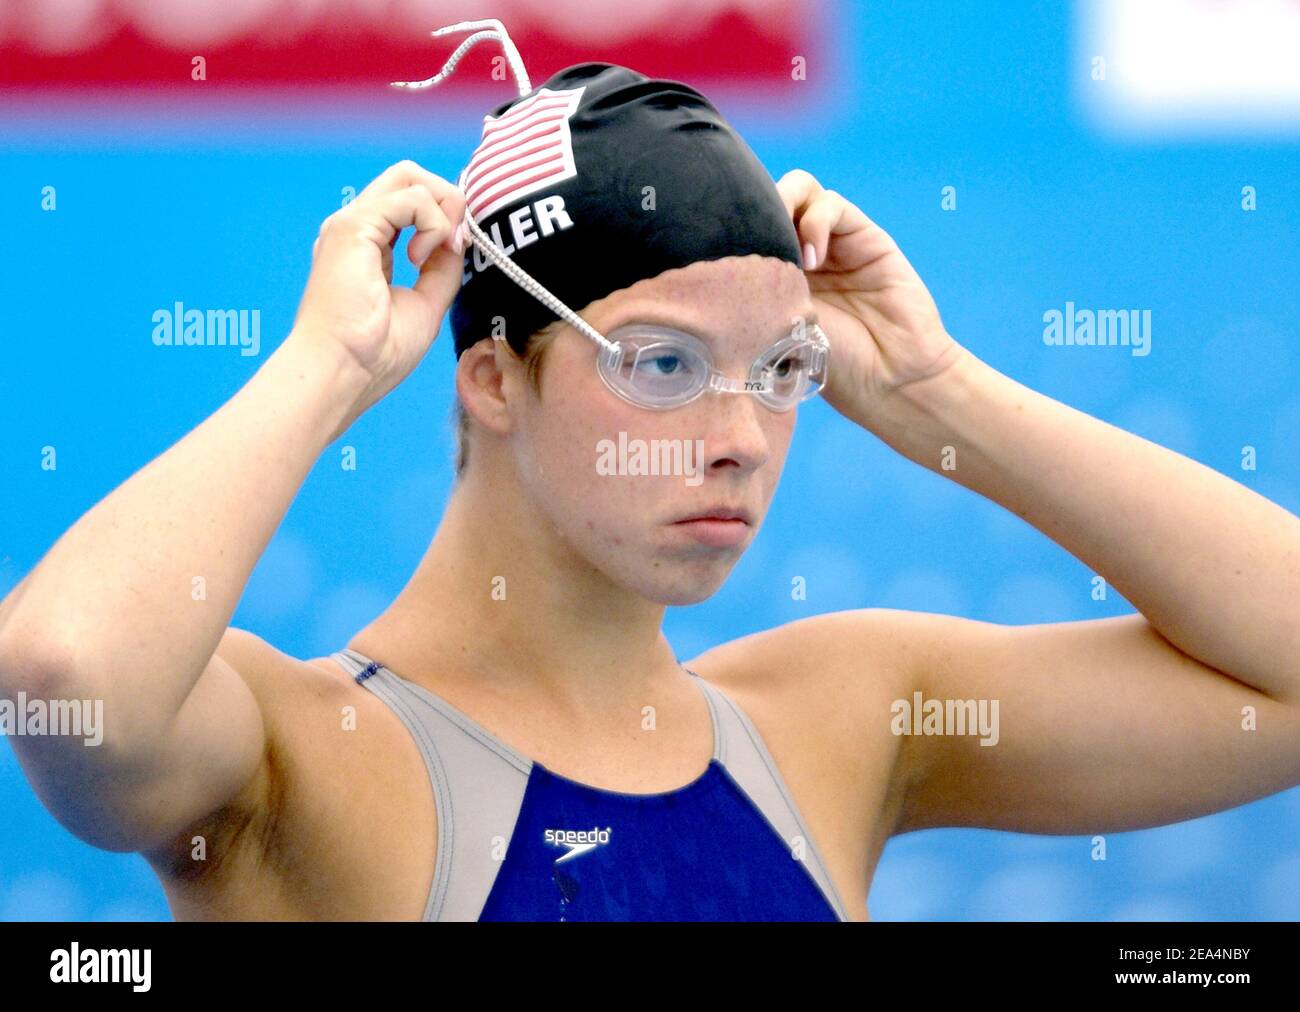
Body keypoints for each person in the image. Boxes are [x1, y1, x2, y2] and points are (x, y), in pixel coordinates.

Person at [2, 26, 1299, 922]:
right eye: (665, 367)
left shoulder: (844, 720)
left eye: (783, 374)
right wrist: (327, 364)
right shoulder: (308, 761)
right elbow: (65, 681)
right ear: (495, 378)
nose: (739, 434)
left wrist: (932, 390)